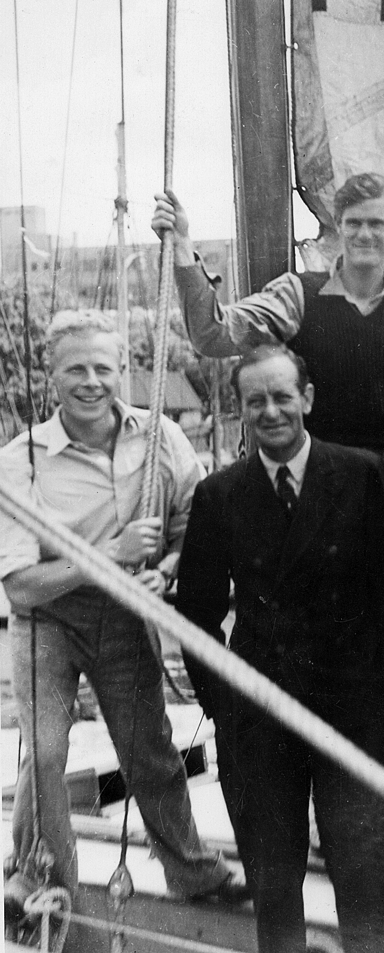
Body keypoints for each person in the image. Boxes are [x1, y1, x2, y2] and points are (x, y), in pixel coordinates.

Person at [0, 310, 246, 924]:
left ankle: (192, 871)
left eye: (103, 368)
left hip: (124, 613)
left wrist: (167, 567)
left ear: (124, 371)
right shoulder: (20, 460)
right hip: (49, 619)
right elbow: (23, 588)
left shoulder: (162, 436)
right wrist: (107, 555)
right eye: (75, 369)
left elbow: (199, 521)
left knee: (148, 749)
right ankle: (37, 875)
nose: (91, 381)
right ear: (50, 376)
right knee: (49, 751)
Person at [175, 344, 384, 953]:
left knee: (366, 870)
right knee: (274, 879)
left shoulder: (361, 474)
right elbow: (195, 615)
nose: (271, 411)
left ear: (307, 398)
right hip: (259, 712)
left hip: (347, 708)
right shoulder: (219, 496)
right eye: (257, 401)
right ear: (241, 409)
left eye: (283, 396)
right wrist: (226, 703)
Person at [151, 173, 384, 525]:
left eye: (376, 223)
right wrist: (183, 244)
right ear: (338, 226)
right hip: (317, 482)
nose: (365, 234)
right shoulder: (297, 296)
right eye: (353, 223)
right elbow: (212, 334)